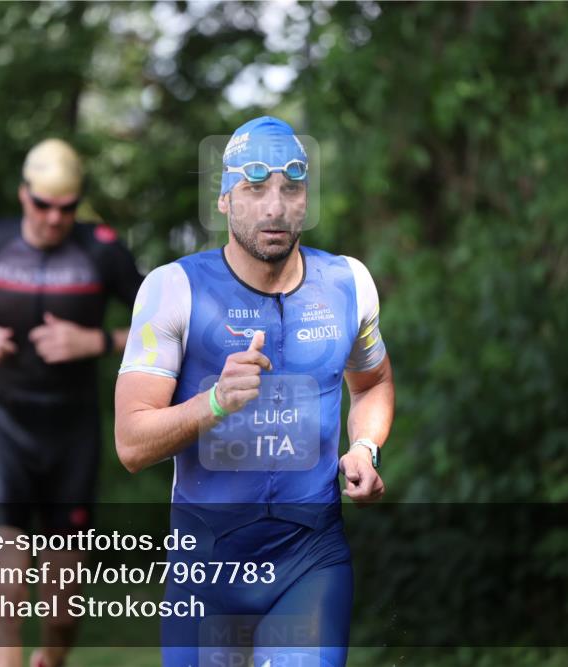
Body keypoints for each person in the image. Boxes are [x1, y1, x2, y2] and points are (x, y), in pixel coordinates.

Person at [114, 117, 394, 667]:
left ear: (305, 198)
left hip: (310, 557)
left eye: (290, 189)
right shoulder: (173, 290)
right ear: (224, 198)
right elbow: (130, 443)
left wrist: (364, 448)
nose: (274, 207)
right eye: (254, 188)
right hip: (208, 565)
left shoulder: (347, 284)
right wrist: (212, 403)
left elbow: (374, 384)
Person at [0, 138, 143, 667]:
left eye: (66, 207)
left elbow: (159, 324)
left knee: (62, 605)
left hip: (72, 432)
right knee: (7, 586)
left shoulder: (103, 250)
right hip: (3, 425)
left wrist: (96, 342)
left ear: (78, 203)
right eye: (42, 204)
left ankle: (52, 657)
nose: (52, 218)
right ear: (24, 195)